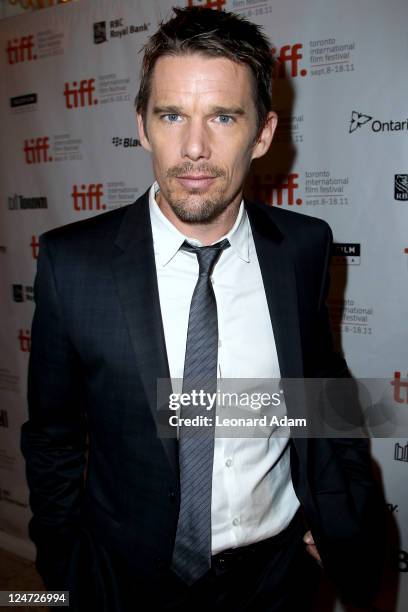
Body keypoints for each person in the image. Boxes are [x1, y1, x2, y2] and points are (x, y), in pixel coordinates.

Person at [21, 6, 386, 611]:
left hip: (275, 576)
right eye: (171, 115)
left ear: (263, 133)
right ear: (142, 125)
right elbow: (53, 439)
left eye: (222, 116)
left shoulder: (303, 247)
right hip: (125, 582)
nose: (194, 148)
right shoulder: (72, 263)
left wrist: (336, 509)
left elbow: (324, 393)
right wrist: (64, 570)